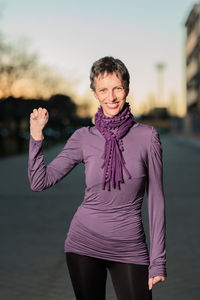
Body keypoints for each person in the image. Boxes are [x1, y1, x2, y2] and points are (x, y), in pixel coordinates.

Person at [28, 56, 167, 300]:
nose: (111, 97)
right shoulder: (83, 137)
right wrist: (36, 137)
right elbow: (40, 181)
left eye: (117, 88)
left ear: (127, 89)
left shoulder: (148, 137)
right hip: (83, 244)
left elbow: (156, 200)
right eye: (103, 89)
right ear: (95, 93)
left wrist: (158, 260)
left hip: (130, 247)